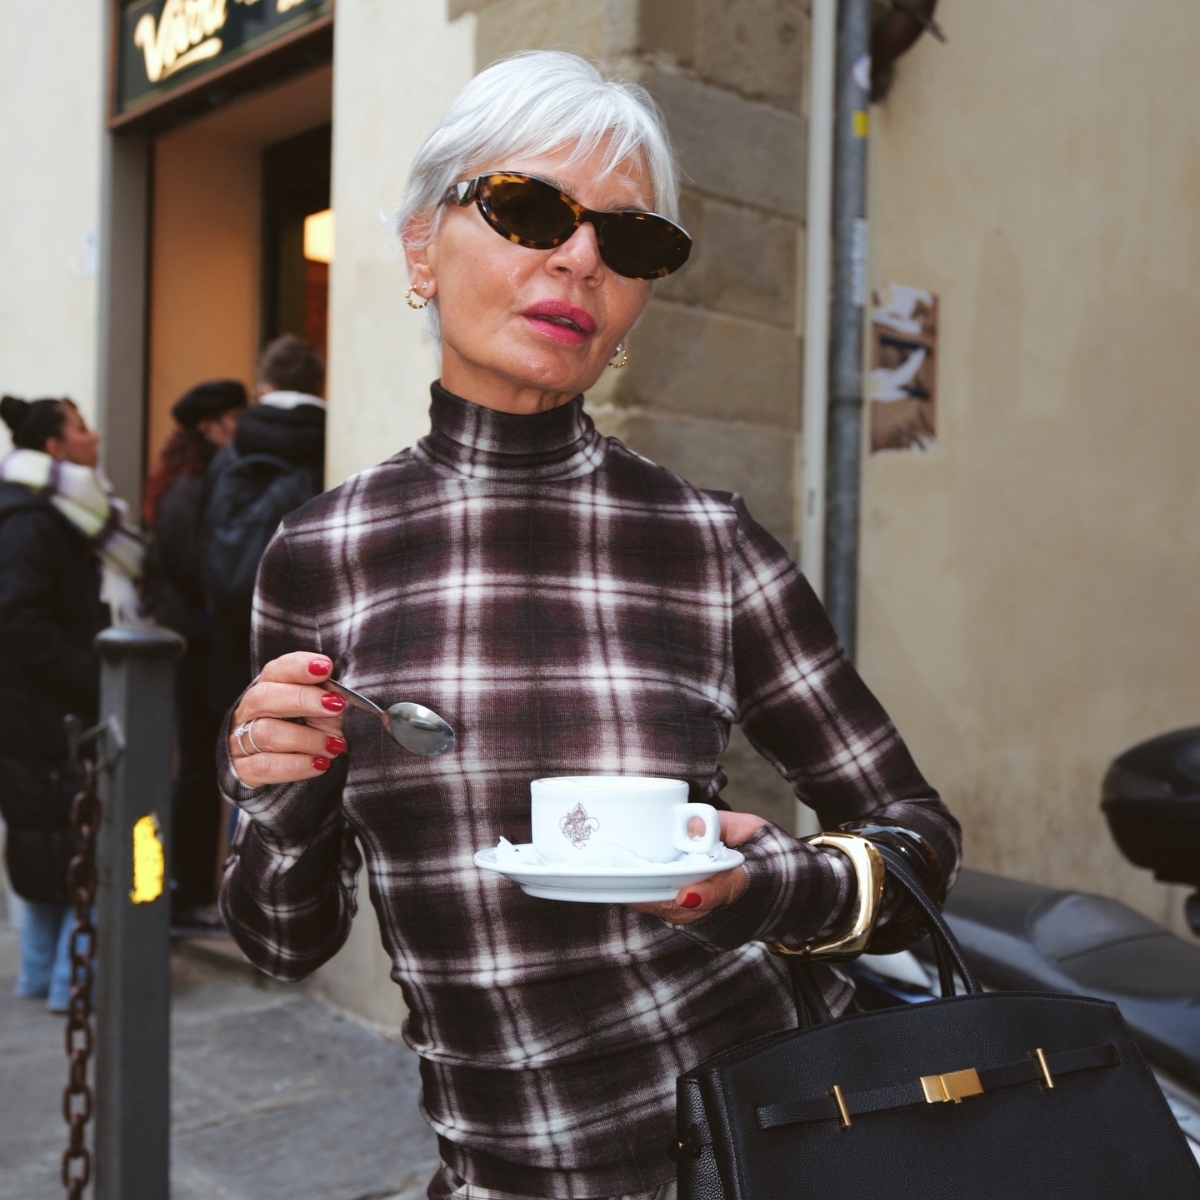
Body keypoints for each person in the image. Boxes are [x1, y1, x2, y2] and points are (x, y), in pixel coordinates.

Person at [216, 52, 961, 1200]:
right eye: (526, 209)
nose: (579, 257)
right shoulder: (320, 554)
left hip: (760, 1154)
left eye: (630, 240)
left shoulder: (706, 545)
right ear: (422, 246)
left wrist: (756, 890)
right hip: (496, 1173)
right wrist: (279, 789)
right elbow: (280, 942)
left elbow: (914, 844)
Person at [0, 394, 141, 1012]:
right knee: (77, 840)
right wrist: (96, 676)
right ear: (56, 449)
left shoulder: (53, 510)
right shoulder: (38, 519)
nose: (96, 435)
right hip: (46, 710)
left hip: (36, 707)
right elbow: (20, 621)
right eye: (82, 428)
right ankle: (68, 984)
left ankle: (41, 975)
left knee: (48, 838)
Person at [143, 380, 247, 927]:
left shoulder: (201, 476)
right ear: (210, 426)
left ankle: (191, 892)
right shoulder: (192, 484)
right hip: (193, 650)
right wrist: (217, 618)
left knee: (201, 772)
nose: (241, 426)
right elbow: (190, 569)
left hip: (196, 644)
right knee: (198, 776)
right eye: (234, 417)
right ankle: (185, 896)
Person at [202, 336, 325, 714]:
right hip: (308, 628)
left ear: (266, 386)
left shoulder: (233, 448)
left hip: (232, 625)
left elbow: (198, 537)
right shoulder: (335, 441)